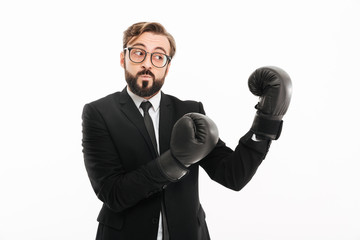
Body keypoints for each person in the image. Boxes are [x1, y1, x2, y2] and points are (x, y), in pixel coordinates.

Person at [82, 22, 292, 240]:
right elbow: (113, 194)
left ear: (167, 66)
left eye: (158, 56)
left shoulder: (190, 111)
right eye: (138, 53)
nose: (147, 63)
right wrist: (175, 162)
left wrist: (267, 121)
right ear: (122, 58)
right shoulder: (98, 112)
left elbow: (233, 176)